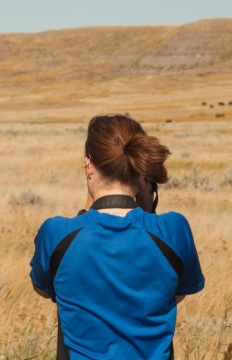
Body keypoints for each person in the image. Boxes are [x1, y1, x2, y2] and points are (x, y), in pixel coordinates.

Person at [29, 114, 204, 359]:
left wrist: (89, 206)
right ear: (141, 169)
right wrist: (145, 203)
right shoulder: (174, 229)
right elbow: (178, 294)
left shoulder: (57, 234)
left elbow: (46, 290)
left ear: (89, 165)